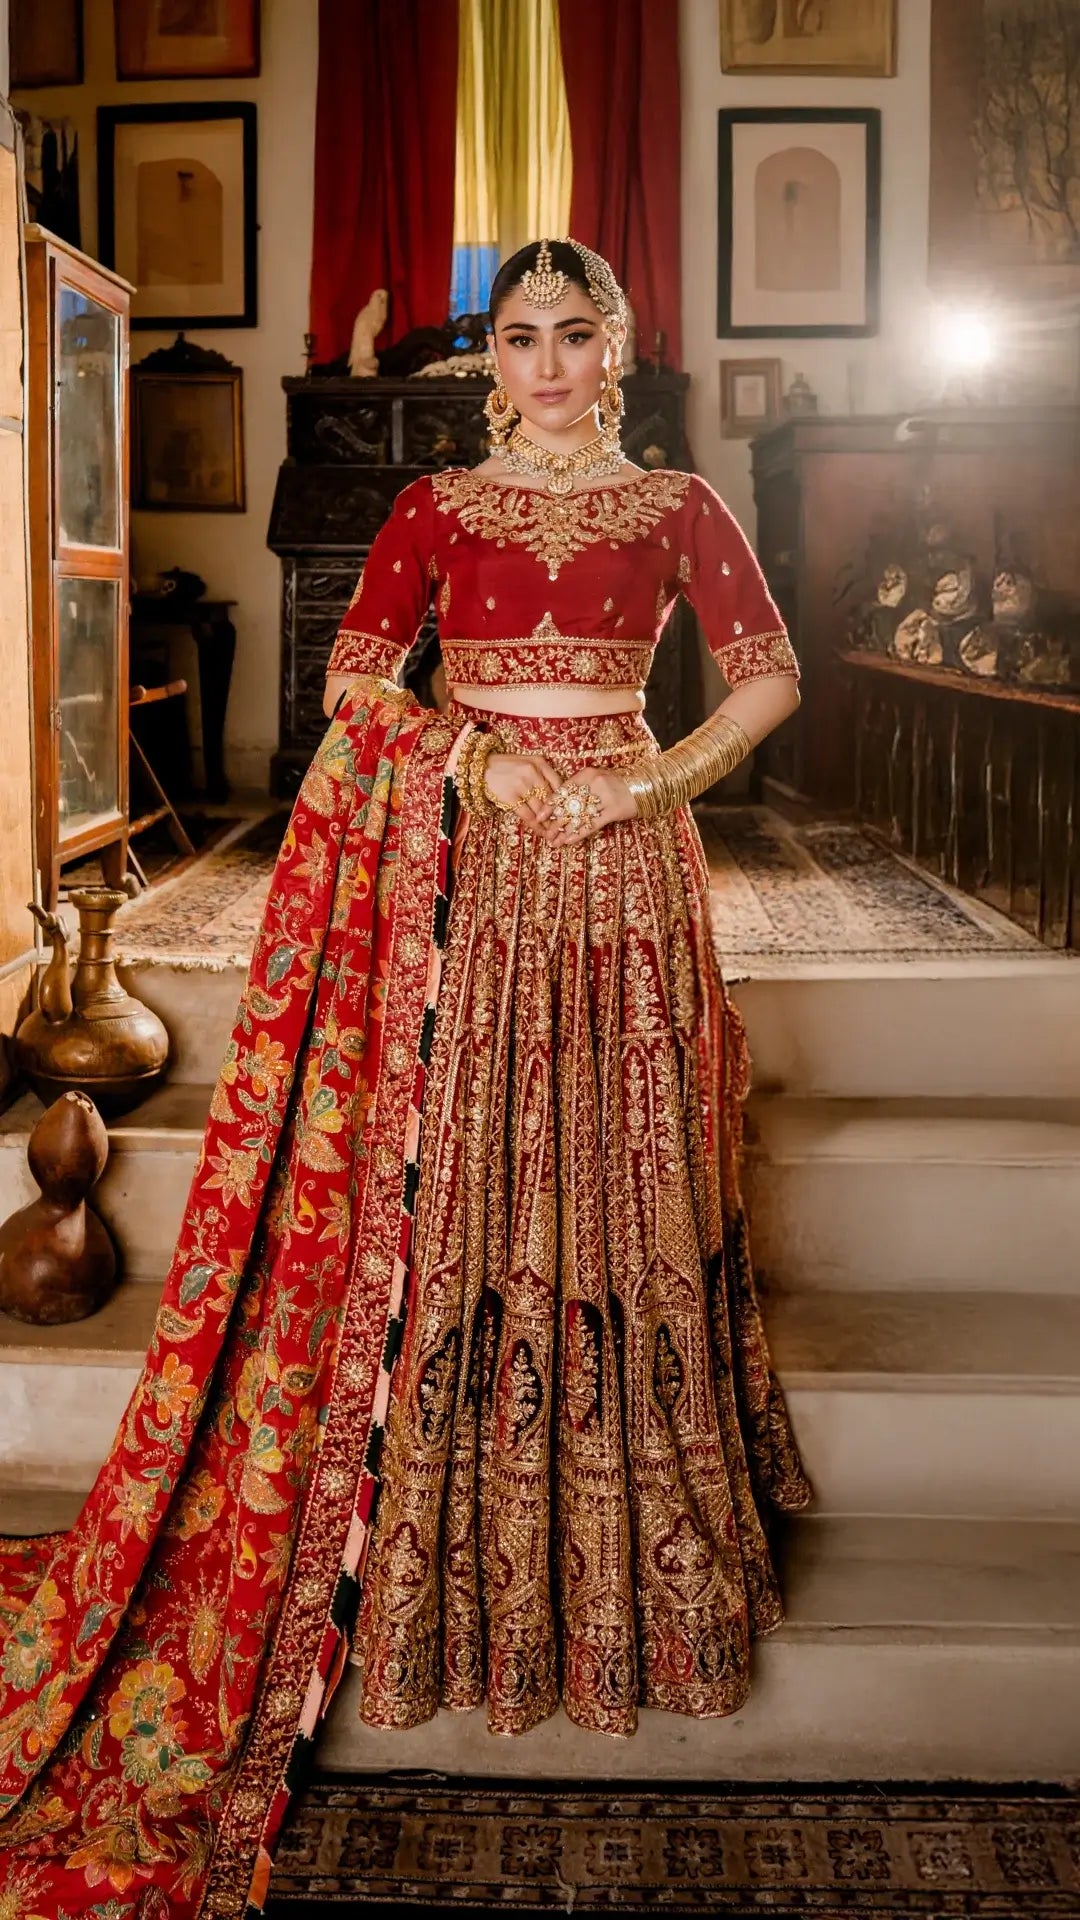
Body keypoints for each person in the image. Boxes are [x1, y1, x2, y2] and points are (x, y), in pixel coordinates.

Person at [0, 240, 809, 1920]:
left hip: (628, 864)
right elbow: (358, 679)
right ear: (490, 358)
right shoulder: (436, 511)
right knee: (469, 1186)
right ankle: (454, 1569)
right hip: (470, 867)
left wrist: (646, 779)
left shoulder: (678, 504)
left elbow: (768, 672)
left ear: (620, 345)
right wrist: (481, 751)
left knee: (623, 1180)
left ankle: (643, 1574)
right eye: (521, 339)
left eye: (577, 336)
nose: (550, 364)